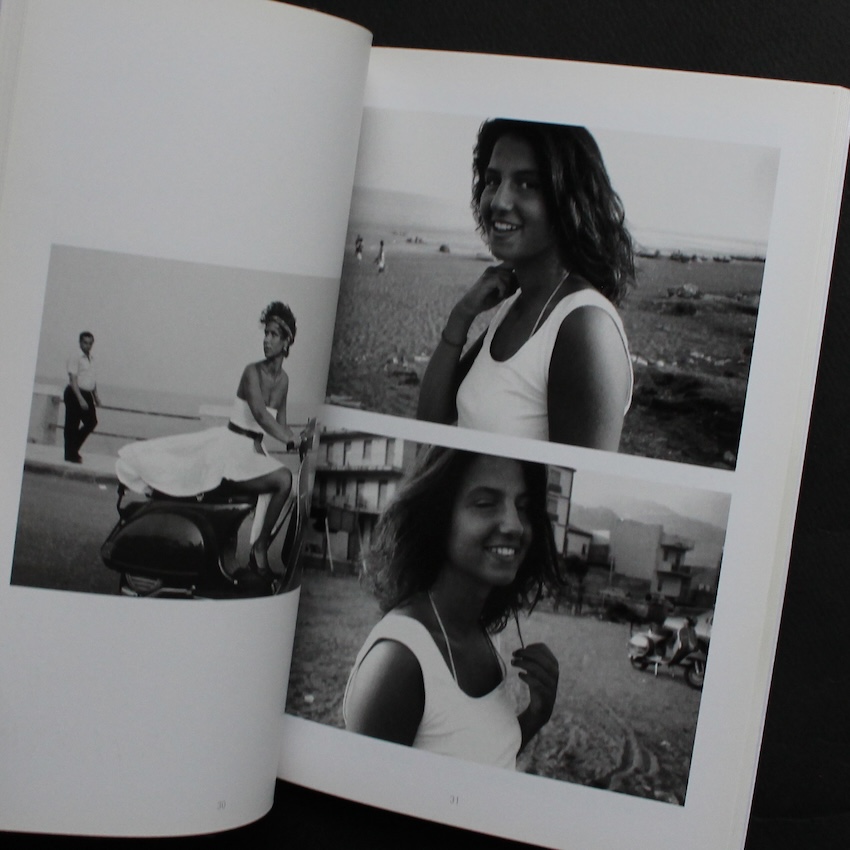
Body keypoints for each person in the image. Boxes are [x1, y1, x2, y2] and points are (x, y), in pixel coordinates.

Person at [417, 119, 635, 451]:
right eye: (493, 180)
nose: (498, 201)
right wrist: (461, 316)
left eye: (528, 184)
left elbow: (579, 475)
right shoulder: (515, 304)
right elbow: (431, 422)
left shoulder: (586, 327)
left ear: (570, 203)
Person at [343, 446, 561, 769]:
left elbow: (482, 760)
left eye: (523, 507)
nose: (514, 525)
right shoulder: (398, 663)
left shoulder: (484, 634)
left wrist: (535, 715)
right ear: (438, 517)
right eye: (485, 504)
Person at [115, 302, 303, 577]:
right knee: (284, 479)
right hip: (231, 450)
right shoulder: (251, 372)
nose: (266, 340)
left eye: (274, 335)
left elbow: (281, 424)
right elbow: (262, 416)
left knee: (285, 483)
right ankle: (259, 548)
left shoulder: (284, 381)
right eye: (266, 333)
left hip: (252, 453)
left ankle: (253, 554)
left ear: (287, 342)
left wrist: (300, 438)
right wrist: (289, 438)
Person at [64, 331, 100, 463]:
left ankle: (72, 449)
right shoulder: (76, 357)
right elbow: (73, 379)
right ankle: (70, 454)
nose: (87, 346)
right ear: (80, 343)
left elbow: (91, 379)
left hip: (87, 393)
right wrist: (80, 399)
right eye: (85, 343)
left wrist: (96, 397)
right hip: (75, 393)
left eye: (90, 343)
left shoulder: (92, 359)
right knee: (72, 425)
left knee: (92, 422)